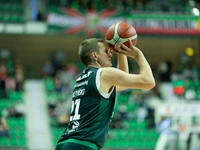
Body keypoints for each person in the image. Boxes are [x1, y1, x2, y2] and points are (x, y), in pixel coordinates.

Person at [55, 38, 155, 150]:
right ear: (95, 56)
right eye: (106, 51)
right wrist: (138, 55)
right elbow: (149, 82)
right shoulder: (103, 74)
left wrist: (121, 53)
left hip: (65, 143)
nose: (110, 54)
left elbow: (123, 82)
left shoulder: (83, 78)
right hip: (82, 144)